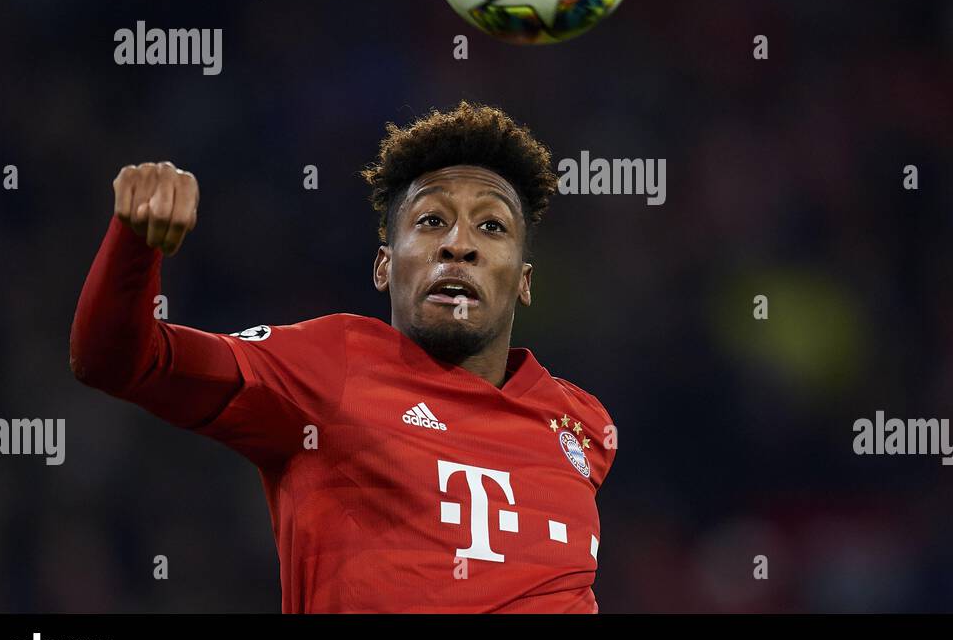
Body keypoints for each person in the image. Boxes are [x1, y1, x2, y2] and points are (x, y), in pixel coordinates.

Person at [69, 101, 616, 612]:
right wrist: (132, 244)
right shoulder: (330, 365)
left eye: (491, 226)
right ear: (384, 267)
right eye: (431, 221)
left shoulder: (583, 426)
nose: (459, 244)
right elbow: (116, 361)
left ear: (523, 281)